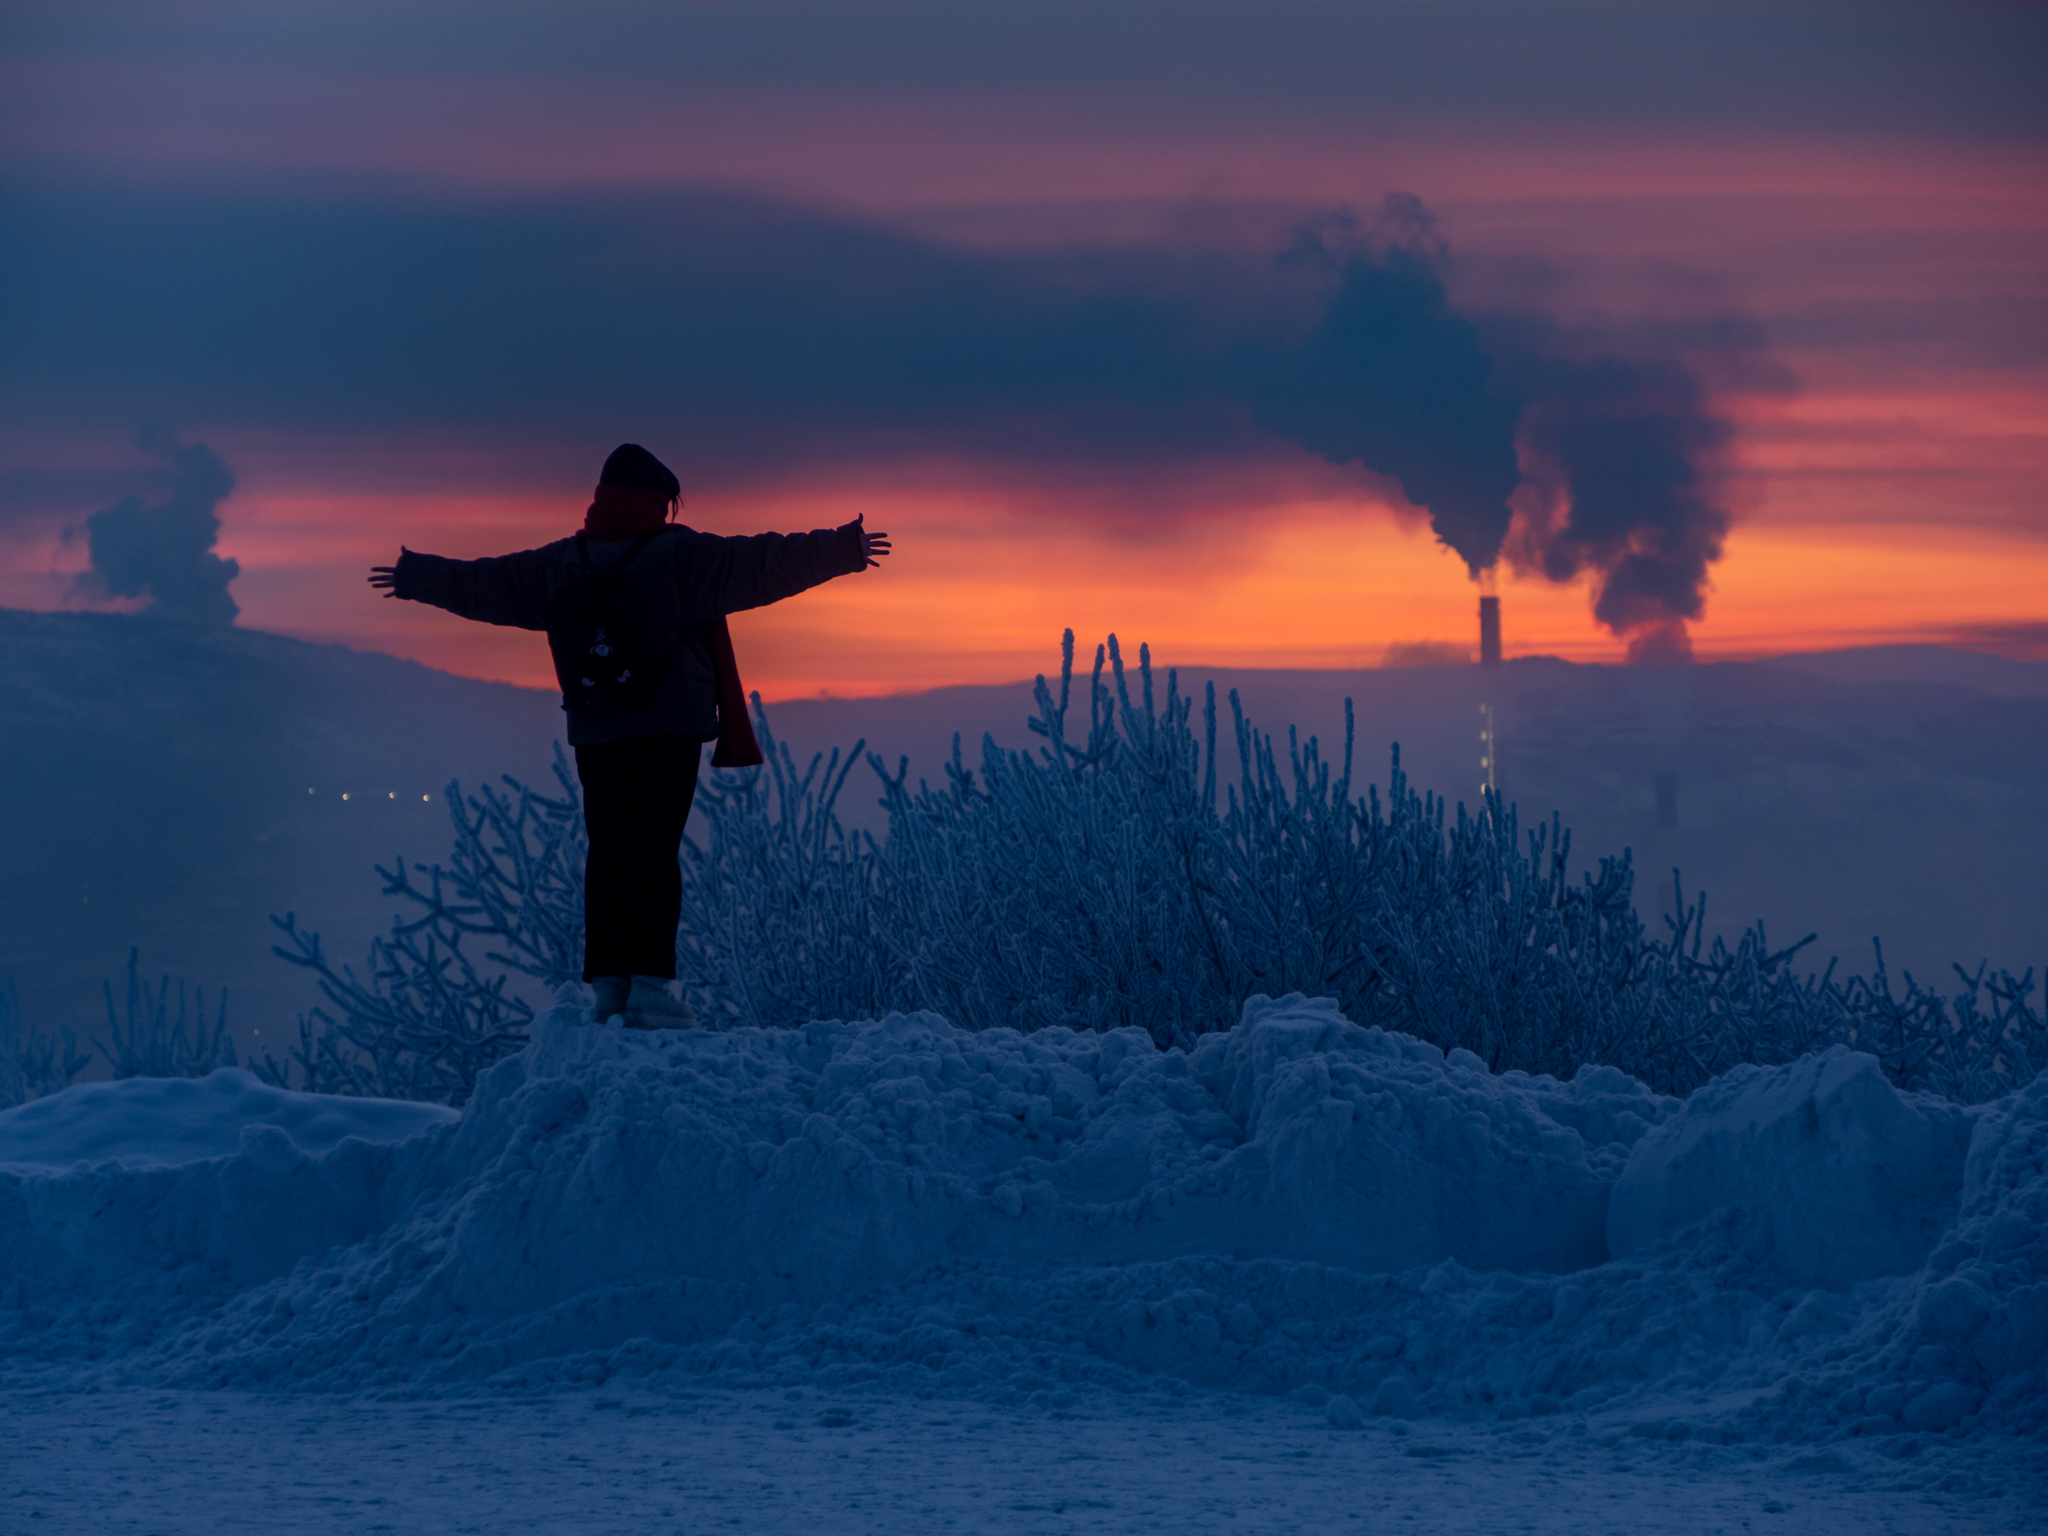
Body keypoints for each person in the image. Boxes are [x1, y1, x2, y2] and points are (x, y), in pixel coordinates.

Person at [369, 443, 890, 1028]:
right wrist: (844, 548)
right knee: (654, 852)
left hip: (596, 723)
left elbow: (487, 584)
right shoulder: (679, 557)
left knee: (610, 852)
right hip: (667, 727)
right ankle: (651, 989)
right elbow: (765, 562)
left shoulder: (564, 561)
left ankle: (608, 987)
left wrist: (417, 575)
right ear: (656, 500)